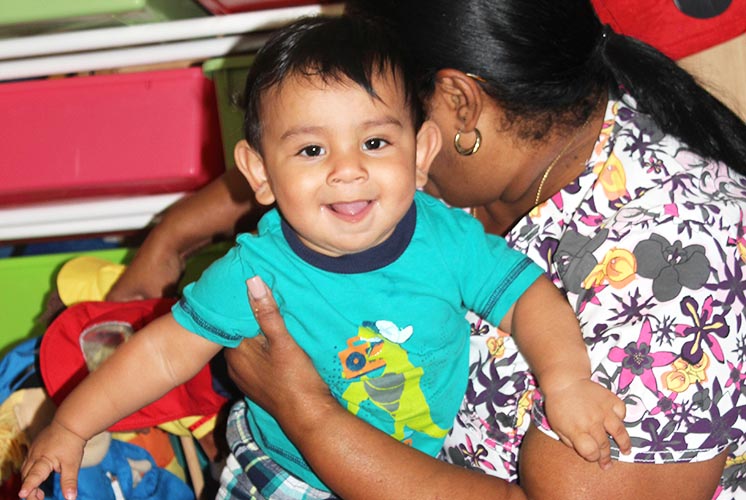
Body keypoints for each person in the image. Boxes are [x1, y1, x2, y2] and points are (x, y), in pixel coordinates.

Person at [107, 1, 746, 499]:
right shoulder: (524, 144)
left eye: (380, 138)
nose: (350, 169)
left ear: (457, 107)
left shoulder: (674, 272)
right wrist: (171, 237)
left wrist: (304, 411)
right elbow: (307, 153)